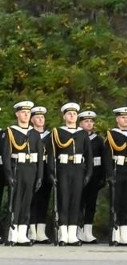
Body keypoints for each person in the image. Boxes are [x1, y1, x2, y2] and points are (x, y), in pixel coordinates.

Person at [2, 100, 44, 245]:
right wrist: (8, 174)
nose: (25, 115)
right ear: (17, 114)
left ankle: (22, 234)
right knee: (15, 202)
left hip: (30, 169)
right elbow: (6, 155)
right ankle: (12, 233)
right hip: (17, 169)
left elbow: (39, 157)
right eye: (23, 112)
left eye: (27, 113)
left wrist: (39, 176)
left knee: (27, 202)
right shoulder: (11, 132)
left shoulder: (34, 134)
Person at [52, 102, 92, 246]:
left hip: (78, 169)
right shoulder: (58, 132)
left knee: (76, 201)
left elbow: (89, 155)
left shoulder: (82, 133)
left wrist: (88, 173)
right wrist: (52, 172)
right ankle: (63, 234)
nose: (72, 115)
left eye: (74, 114)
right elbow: (52, 155)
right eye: (69, 113)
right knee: (64, 200)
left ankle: (72, 234)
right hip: (63, 168)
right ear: (64, 116)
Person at [104, 105, 127, 246]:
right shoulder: (111, 135)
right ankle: (115, 233)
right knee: (116, 203)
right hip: (117, 171)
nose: (125, 120)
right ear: (117, 119)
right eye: (123, 117)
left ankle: (125, 233)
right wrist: (109, 175)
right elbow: (107, 157)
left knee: (126, 203)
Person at [77, 110, 105, 243]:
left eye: (91, 121)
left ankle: (88, 231)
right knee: (78, 203)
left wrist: (102, 177)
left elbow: (104, 160)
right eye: (86, 121)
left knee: (91, 204)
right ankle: (77, 230)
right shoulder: (77, 137)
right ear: (80, 123)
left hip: (94, 176)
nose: (89, 123)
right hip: (79, 174)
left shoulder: (98, 140)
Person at [27, 105, 53, 243]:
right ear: (32, 120)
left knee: (44, 200)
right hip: (32, 167)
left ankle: (41, 232)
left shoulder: (50, 135)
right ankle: (32, 232)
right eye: (37, 117)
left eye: (42, 117)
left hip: (46, 168)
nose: (40, 119)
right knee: (32, 200)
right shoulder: (29, 134)